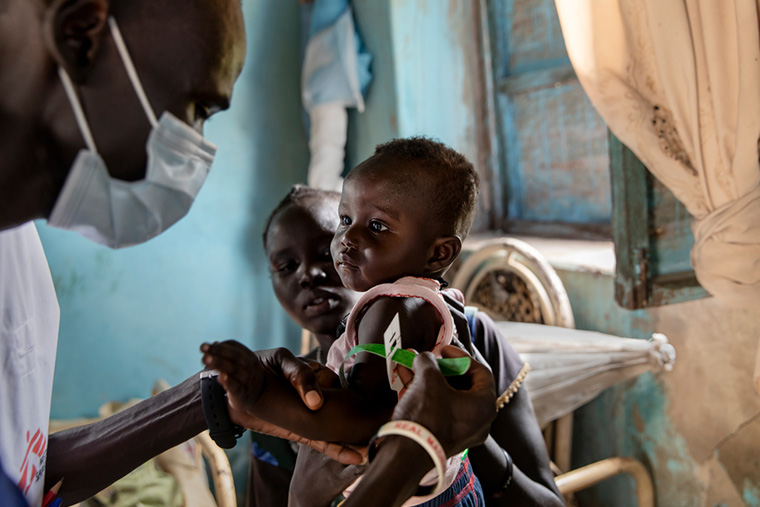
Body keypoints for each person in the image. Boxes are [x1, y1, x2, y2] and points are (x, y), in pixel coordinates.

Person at [0, 3, 499, 507]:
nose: (194, 147)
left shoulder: (18, 255)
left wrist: (215, 395)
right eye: (196, 106)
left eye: (375, 227)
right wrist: (416, 450)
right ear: (81, 33)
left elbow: (32, 471)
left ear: (439, 252)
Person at [204, 138, 563, 506]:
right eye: (345, 222)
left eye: (376, 226)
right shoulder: (300, 376)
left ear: (437, 253)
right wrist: (302, 498)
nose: (311, 273)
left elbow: (367, 413)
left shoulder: (462, 337)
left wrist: (470, 437)